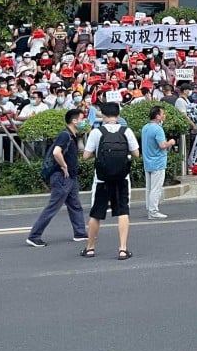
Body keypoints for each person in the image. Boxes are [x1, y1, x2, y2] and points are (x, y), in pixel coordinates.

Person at [81, 102, 140, 260]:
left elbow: (86, 156)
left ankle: (90, 248)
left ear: (103, 116)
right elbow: (136, 153)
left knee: (96, 213)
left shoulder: (97, 132)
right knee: (123, 211)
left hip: (102, 178)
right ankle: (122, 249)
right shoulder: (126, 131)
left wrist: (99, 154)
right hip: (122, 177)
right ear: (118, 116)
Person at [26, 108, 88, 247]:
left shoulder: (71, 135)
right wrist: (64, 166)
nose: (83, 121)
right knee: (53, 207)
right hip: (62, 177)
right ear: (74, 121)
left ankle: (80, 233)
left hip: (70, 177)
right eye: (81, 119)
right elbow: (56, 152)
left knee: (75, 205)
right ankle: (34, 235)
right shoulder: (65, 135)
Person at [141, 105, 176, 219]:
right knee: (156, 188)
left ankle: (150, 208)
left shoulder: (145, 127)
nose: (164, 116)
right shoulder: (158, 129)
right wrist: (170, 142)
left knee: (149, 188)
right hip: (158, 162)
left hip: (148, 161)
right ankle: (153, 211)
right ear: (157, 116)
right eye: (162, 114)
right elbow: (162, 145)